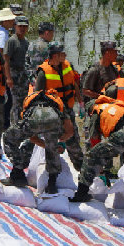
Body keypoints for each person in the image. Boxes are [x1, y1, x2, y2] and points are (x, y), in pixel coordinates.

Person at [76, 78, 124, 218]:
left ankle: (81, 192)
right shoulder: (117, 104)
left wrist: (100, 161)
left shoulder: (97, 110)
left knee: (92, 156)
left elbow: (94, 139)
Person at [1, 88, 73, 192]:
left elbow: (31, 137)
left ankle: (18, 173)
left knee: (8, 138)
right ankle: (51, 184)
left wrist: (43, 144)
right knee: (52, 151)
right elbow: (70, 130)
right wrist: (58, 142)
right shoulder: (58, 102)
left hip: (34, 120)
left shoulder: (30, 99)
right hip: (53, 122)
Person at [30, 41, 84, 169]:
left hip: (68, 110)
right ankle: (51, 175)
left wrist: (80, 102)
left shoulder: (67, 65)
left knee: (73, 141)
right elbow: (37, 96)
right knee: (52, 143)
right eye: (61, 53)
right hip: (53, 113)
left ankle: (81, 168)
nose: (65, 55)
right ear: (54, 56)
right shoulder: (43, 73)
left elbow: (74, 84)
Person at [4, 15, 30, 122]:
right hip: (14, 74)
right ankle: (15, 124)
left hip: (24, 75)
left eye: (25, 26)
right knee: (15, 102)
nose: (22, 28)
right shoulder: (12, 41)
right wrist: (8, 78)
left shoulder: (26, 41)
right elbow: (6, 60)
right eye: (20, 26)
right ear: (15, 26)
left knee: (24, 100)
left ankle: (20, 122)